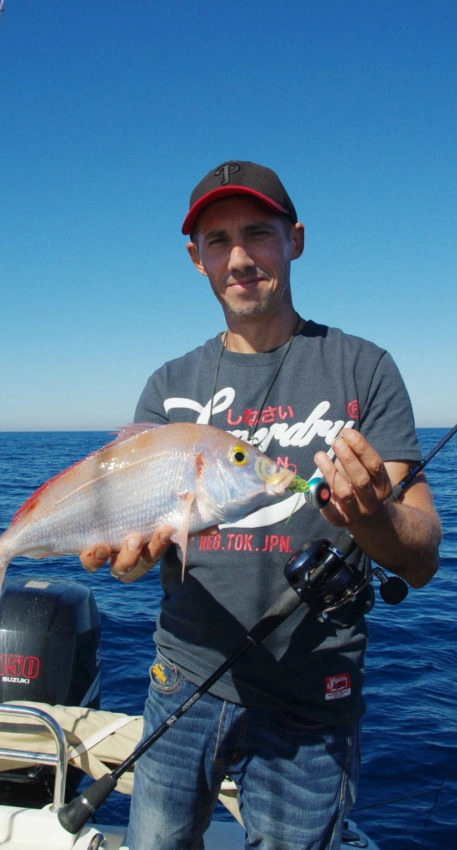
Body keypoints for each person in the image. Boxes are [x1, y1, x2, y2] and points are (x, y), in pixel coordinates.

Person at [80, 160, 441, 850]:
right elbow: (129, 561)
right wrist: (120, 559)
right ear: (196, 260)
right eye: (217, 241)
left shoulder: (362, 369)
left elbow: (420, 555)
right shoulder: (169, 386)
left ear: (294, 240)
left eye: (257, 234)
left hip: (312, 696)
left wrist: (373, 517)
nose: (239, 257)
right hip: (179, 675)